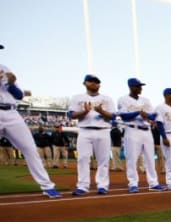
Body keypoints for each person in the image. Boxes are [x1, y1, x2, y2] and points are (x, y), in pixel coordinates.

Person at [0, 46, 61, 198]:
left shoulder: (4, 69)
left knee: (30, 148)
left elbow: (19, 95)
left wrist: (12, 83)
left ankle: (47, 186)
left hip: (12, 113)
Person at [68, 74, 115, 195]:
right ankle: (83, 186)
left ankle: (103, 185)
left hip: (103, 130)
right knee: (83, 158)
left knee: (103, 160)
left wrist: (101, 111)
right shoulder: (77, 97)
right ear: (84, 83)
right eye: (91, 81)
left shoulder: (107, 98)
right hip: (85, 130)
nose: (94, 83)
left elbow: (113, 116)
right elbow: (71, 115)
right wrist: (85, 111)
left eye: (97, 82)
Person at [117, 77, 166, 193]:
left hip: (147, 130)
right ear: (131, 87)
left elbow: (153, 116)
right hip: (132, 130)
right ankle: (133, 183)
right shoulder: (123, 99)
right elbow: (124, 116)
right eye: (138, 86)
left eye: (141, 86)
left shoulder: (145, 100)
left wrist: (146, 115)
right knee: (132, 158)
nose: (140, 88)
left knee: (150, 158)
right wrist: (139, 112)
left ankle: (153, 183)